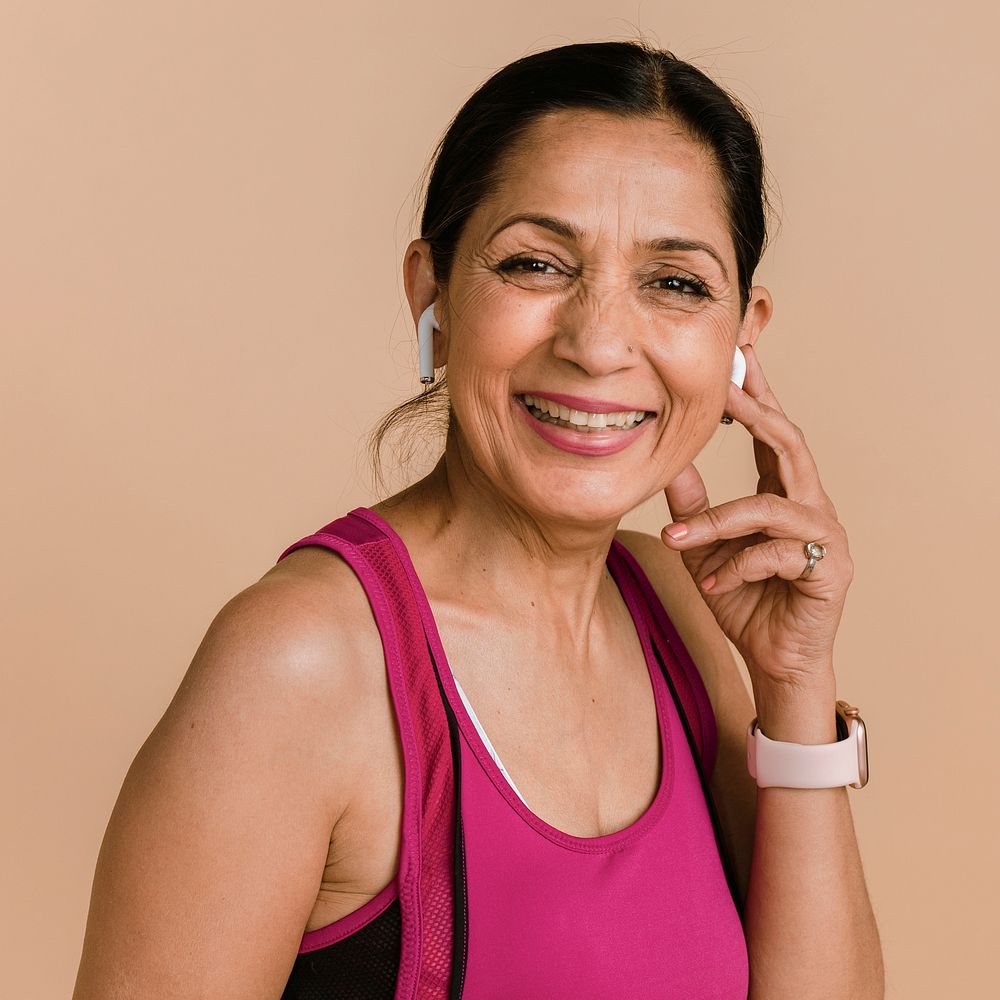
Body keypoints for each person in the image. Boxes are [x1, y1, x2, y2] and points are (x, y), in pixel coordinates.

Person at [72, 40, 884, 999]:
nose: (598, 344)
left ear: (741, 336)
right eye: (537, 264)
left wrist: (793, 686)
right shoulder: (303, 664)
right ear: (434, 296)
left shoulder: (685, 605)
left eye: (675, 283)